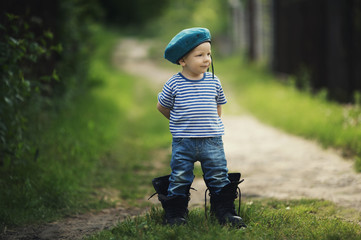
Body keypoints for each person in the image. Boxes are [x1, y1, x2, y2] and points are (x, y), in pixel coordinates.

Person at [151, 27, 246, 228]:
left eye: (209, 54)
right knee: (180, 177)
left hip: (212, 141)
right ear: (182, 60)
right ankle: (176, 214)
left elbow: (218, 105)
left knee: (219, 175)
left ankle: (224, 212)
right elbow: (162, 106)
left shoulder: (213, 81)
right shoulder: (174, 84)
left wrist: (210, 124)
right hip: (183, 142)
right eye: (200, 55)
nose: (206, 59)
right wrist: (180, 121)